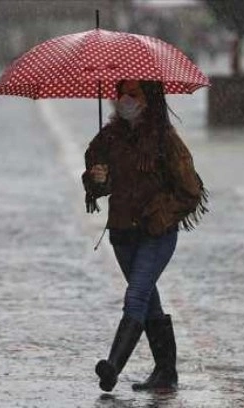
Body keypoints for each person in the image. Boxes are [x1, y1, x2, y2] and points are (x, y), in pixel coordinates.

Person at [82, 80, 208, 393]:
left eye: (133, 94)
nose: (124, 100)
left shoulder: (166, 140)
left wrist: (160, 212)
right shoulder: (109, 139)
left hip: (156, 235)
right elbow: (100, 185)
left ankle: (112, 367)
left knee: (136, 294)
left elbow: (191, 191)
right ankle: (166, 372)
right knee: (148, 301)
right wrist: (96, 180)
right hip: (123, 235)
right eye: (120, 93)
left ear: (149, 99)